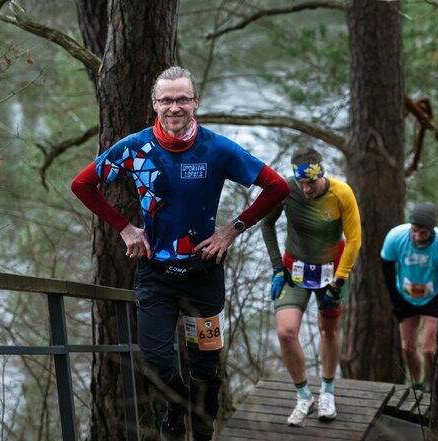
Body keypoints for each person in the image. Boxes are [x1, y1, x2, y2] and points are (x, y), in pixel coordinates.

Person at [71, 66, 290, 441]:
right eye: (167, 100)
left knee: (206, 369)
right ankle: (177, 402)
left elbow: (276, 187)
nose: (175, 107)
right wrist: (124, 227)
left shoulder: (217, 149)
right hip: (156, 275)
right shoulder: (134, 148)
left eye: (183, 99)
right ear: (155, 104)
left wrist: (231, 230)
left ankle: (203, 434)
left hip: (203, 274)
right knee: (156, 360)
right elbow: (82, 184)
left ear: (195, 103)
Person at [260, 148, 362, 427]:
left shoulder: (341, 193)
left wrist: (340, 281)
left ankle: (327, 391)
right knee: (285, 331)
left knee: (328, 330)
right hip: (294, 271)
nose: (306, 189)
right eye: (302, 183)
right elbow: (266, 225)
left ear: (322, 173)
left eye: (311, 183)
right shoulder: (285, 190)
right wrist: (275, 267)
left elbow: (354, 240)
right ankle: (303, 395)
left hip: (332, 272)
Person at [380, 202, 438, 392]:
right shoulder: (396, 236)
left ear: (431, 231)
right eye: (415, 231)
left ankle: (432, 385)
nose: (417, 237)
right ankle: (417, 384)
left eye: (423, 233)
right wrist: (395, 302)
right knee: (407, 348)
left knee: (428, 349)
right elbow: (387, 267)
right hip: (405, 295)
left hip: (433, 295)